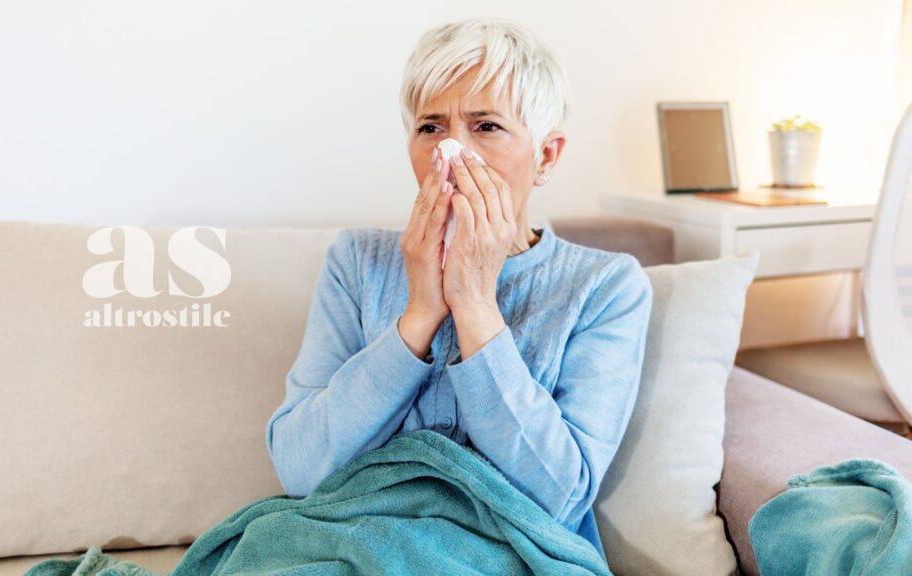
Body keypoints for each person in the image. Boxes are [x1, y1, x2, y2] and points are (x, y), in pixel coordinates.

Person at [265, 16, 652, 563]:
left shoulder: (605, 287)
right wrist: (421, 311)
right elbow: (300, 468)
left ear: (545, 155)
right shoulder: (356, 262)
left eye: (486, 126)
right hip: (346, 543)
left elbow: (560, 494)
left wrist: (473, 304)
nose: (451, 152)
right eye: (430, 128)